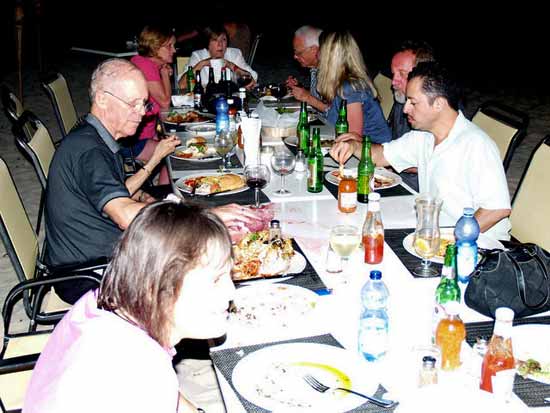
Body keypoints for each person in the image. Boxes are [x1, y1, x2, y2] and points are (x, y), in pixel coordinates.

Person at [44, 58, 255, 304]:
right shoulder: (89, 151)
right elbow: (124, 215)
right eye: (132, 104)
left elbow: (118, 192)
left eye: (143, 103)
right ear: (102, 98)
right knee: (200, 273)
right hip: (87, 274)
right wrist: (204, 216)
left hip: (100, 254)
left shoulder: (94, 139)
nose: (143, 113)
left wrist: (154, 199)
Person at [24, 202, 235, 413]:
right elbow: (147, 385)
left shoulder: (102, 302)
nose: (231, 292)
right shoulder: (139, 371)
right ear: (160, 288)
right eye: (216, 280)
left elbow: (167, 395)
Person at [331, 62, 511, 240]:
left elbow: (496, 209)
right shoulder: (423, 137)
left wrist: (454, 241)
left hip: (478, 247)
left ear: (439, 104)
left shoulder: (475, 144)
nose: (406, 108)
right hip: (433, 231)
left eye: (413, 102)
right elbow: (378, 156)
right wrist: (354, 145)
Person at [317, 31, 391, 144]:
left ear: (329, 56)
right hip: (359, 147)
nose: (317, 55)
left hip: (372, 151)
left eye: (320, 50)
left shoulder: (350, 88)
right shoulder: (340, 84)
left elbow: (353, 138)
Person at [128, 25, 177, 185]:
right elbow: (164, 103)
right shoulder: (145, 66)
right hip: (130, 141)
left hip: (142, 135)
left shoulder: (149, 64)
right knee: (173, 155)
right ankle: (163, 200)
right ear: (155, 47)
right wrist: (164, 74)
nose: (174, 50)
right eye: (169, 46)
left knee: (170, 141)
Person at [179, 24, 257, 90]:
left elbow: (253, 78)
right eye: (215, 40)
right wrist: (201, 64)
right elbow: (182, 85)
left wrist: (231, 65)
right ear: (208, 44)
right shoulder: (198, 56)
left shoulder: (234, 54)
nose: (220, 44)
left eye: (223, 40)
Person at [389, 40, 435, 141]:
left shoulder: (435, 113)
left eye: (402, 74)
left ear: (423, 75)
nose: (393, 82)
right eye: (393, 74)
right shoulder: (402, 99)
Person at [286, 25, 328, 117]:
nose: (295, 56)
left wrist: (307, 97)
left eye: (298, 53)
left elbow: (336, 113)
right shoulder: (315, 68)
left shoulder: (333, 72)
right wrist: (299, 89)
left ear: (314, 50)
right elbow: (319, 98)